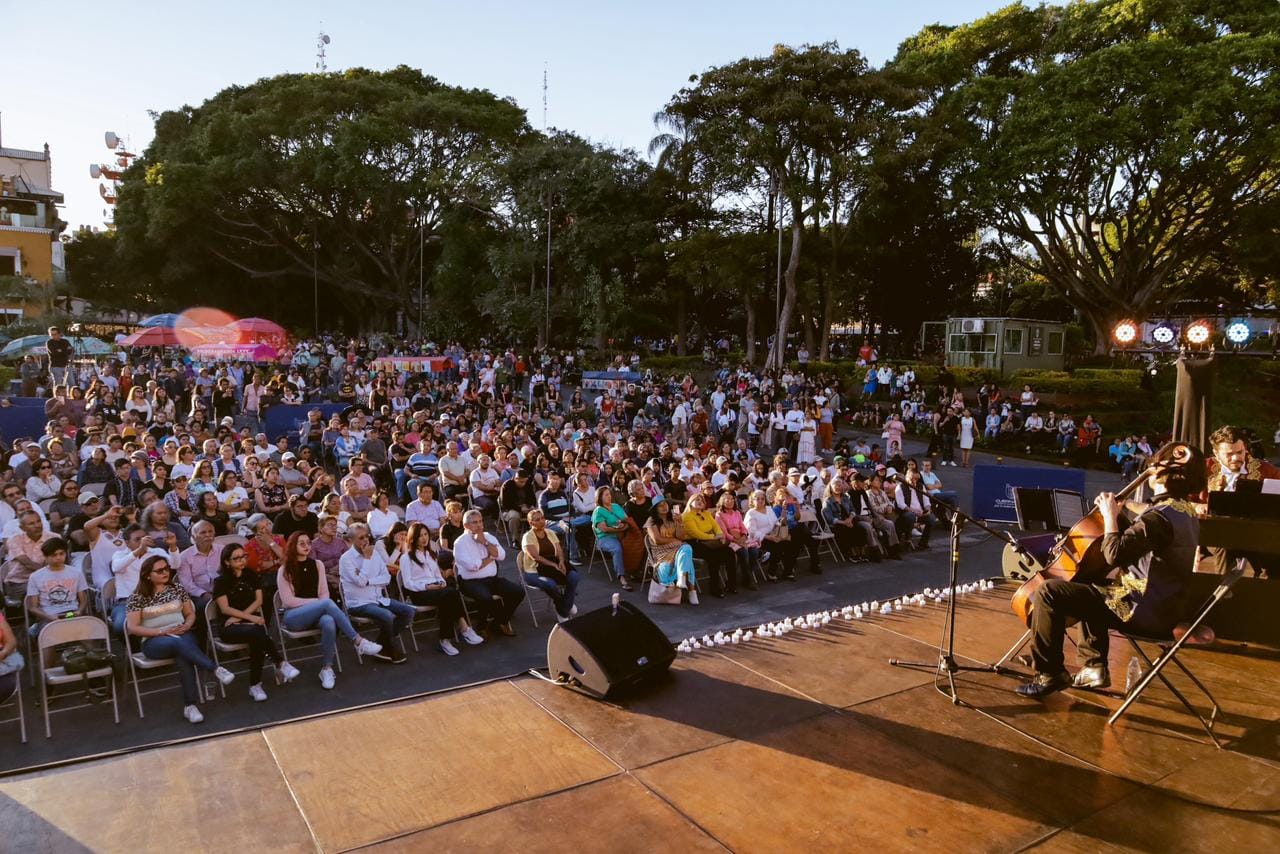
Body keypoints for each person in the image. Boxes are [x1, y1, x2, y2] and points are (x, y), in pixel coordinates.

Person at [1017, 443, 1206, 698]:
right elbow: (1143, 535)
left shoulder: (1158, 517)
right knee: (1091, 584)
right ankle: (1093, 667)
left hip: (1142, 611)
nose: (1149, 469)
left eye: (1154, 466)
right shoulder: (1183, 512)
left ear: (1164, 473)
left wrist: (1108, 516)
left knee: (1049, 592)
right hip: (1163, 607)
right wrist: (1122, 512)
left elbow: (1114, 554)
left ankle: (1048, 673)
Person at [126, 554, 236, 724]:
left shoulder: (177, 588)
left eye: (167, 569)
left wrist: (187, 625)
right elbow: (132, 627)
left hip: (182, 634)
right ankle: (214, 668)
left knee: (183, 655)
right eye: (160, 570)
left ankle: (190, 706)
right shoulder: (137, 597)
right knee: (178, 643)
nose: (165, 572)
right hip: (154, 641)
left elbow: (190, 613)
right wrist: (161, 631)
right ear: (147, 575)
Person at [277, 532, 382, 690]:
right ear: (293, 547)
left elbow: (324, 593)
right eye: (302, 544)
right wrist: (316, 602)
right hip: (294, 616)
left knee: (329, 622)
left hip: (318, 612)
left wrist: (320, 603)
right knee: (326, 603)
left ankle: (326, 668)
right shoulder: (285, 569)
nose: (307, 546)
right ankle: (358, 641)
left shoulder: (317, 564)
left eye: (308, 543)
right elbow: (288, 601)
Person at [213, 543, 299, 702]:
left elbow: (259, 600)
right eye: (236, 558)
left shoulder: (251, 575)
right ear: (227, 562)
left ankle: (256, 684)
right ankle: (278, 664)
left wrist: (244, 618)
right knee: (258, 632)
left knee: (257, 637)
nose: (241, 561)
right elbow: (225, 609)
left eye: (243, 556)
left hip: (246, 624)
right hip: (228, 627)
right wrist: (251, 618)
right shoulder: (221, 581)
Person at [398, 522, 484, 655]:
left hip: (437, 590)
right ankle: (464, 629)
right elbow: (408, 583)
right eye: (420, 535)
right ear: (413, 538)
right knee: (450, 594)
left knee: (448, 596)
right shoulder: (406, 558)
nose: (424, 538)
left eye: (426, 534)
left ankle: (445, 640)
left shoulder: (431, 554)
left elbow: (437, 575)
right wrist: (427, 586)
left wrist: (440, 582)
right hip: (419, 592)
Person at [339, 523, 415, 663]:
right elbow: (359, 582)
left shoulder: (374, 554)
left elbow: (385, 578)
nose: (365, 540)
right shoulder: (346, 559)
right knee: (386, 615)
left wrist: (368, 580)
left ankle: (381, 645)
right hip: (358, 604)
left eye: (367, 536)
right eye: (360, 538)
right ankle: (389, 648)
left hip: (378, 599)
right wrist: (367, 561)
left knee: (408, 611)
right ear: (351, 540)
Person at [453, 509, 524, 636]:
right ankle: (481, 627)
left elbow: (501, 555)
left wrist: (485, 543)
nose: (479, 525)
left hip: (491, 579)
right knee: (485, 597)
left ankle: (499, 622)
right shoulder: (460, 543)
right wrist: (491, 557)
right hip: (470, 582)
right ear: (466, 526)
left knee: (518, 592)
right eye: (475, 522)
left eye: (480, 521)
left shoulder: (488, 537)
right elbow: (472, 566)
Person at [520, 509, 580, 622]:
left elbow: (559, 550)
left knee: (574, 576)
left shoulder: (550, 533)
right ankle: (563, 608)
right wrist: (553, 565)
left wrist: (561, 562)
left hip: (552, 567)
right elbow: (535, 557)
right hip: (534, 570)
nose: (541, 521)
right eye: (537, 520)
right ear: (531, 523)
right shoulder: (527, 537)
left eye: (542, 518)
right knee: (550, 584)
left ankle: (566, 603)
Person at [24, 537, 89, 637]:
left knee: (86, 631)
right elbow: (33, 607)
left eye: (61, 553)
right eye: (54, 555)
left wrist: (79, 611)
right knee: (48, 635)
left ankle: (91, 652)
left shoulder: (76, 573)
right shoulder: (36, 577)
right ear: (45, 556)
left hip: (70, 613)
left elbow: (83, 600)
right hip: (49, 615)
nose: (58, 557)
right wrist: (48, 617)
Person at [645, 500, 700, 602]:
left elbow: (681, 536)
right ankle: (691, 591)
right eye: (660, 505)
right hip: (661, 552)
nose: (664, 507)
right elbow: (657, 540)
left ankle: (682, 579)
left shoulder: (673, 518)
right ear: (655, 508)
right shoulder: (651, 520)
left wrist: (680, 522)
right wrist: (675, 541)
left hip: (677, 549)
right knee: (686, 555)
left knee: (687, 549)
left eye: (665, 504)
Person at [591, 485, 633, 591]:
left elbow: (627, 520)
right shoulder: (598, 511)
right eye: (606, 495)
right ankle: (622, 577)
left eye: (609, 494)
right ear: (600, 497)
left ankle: (635, 570)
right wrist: (619, 529)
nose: (609, 496)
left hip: (621, 533)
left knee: (635, 543)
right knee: (617, 548)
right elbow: (604, 529)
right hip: (605, 538)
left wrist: (624, 526)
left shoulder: (616, 506)